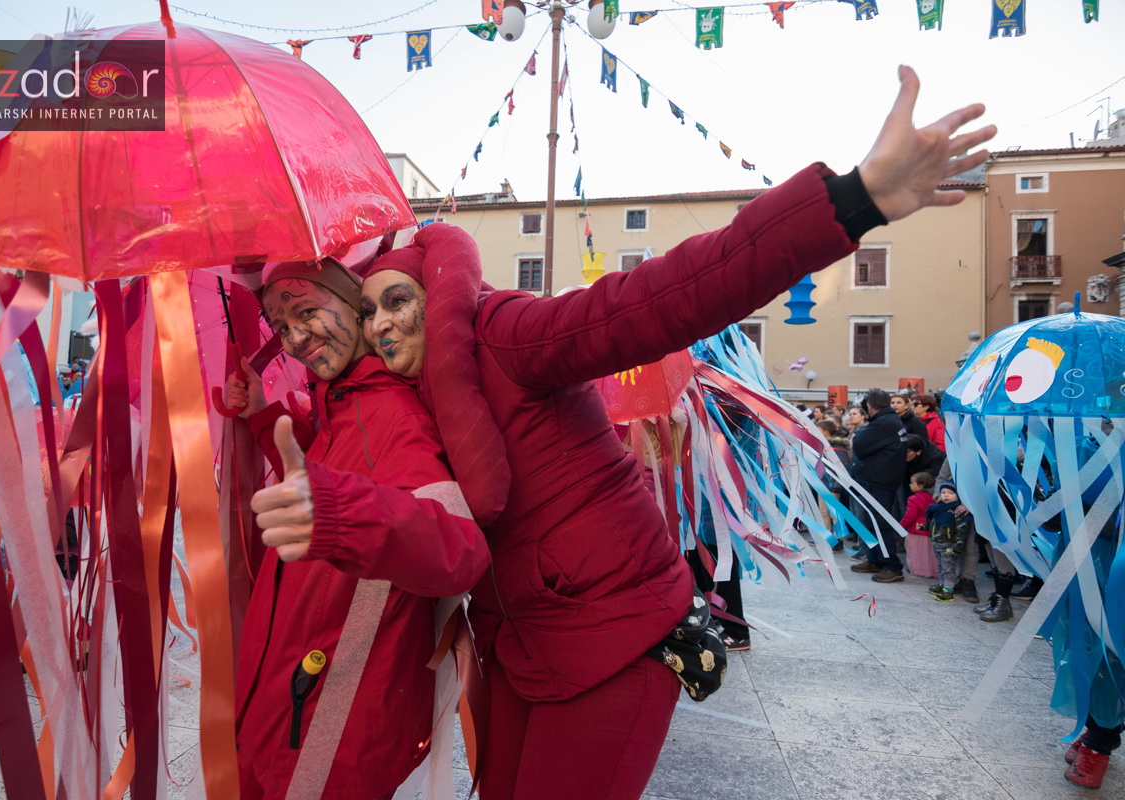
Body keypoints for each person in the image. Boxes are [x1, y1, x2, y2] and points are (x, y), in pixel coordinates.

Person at [283, 65, 994, 799]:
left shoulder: (507, 334)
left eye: (399, 300)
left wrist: (854, 200)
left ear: (436, 296)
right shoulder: (409, 396)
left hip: (615, 634)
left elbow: (664, 297)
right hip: (521, 644)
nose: (384, 323)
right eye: (368, 312)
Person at [223, 259, 490, 800]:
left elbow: (459, 550)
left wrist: (337, 513)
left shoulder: (391, 415)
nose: (295, 339)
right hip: (287, 714)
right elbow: (329, 475)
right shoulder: (343, 405)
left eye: (306, 312)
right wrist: (261, 416)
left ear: (357, 307)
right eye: (281, 326)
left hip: (326, 736)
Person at [849, 389, 908, 582]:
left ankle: (892, 565)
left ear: (869, 406)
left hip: (880, 480)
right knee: (871, 522)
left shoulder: (884, 423)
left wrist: (857, 438)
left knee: (880, 523)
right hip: (880, 478)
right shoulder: (890, 420)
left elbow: (859, 445)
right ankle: (875, 559)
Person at [923, 480, 971, 602]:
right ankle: (942, 585)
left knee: (948, 568)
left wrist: (957, 547)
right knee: (941, 566)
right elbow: (933, 524)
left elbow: (962, 530)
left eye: (950, 493)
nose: (946, 495)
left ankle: (948, 591)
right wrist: (924, 527)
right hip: (937, 543)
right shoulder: (937, 509)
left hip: (949, 546)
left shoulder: (957, 511)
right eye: (943, 492)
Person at [900, 471, 936, 578]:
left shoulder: (913, 499)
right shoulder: (933, 498)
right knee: (929, 551)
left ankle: (917, 570)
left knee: (915, 551)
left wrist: (900, 525)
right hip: (929, 528)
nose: (910, 485)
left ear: (920, 486)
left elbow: (910, 516)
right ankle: (932, 571)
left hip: (915, 530)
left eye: (912, 483)